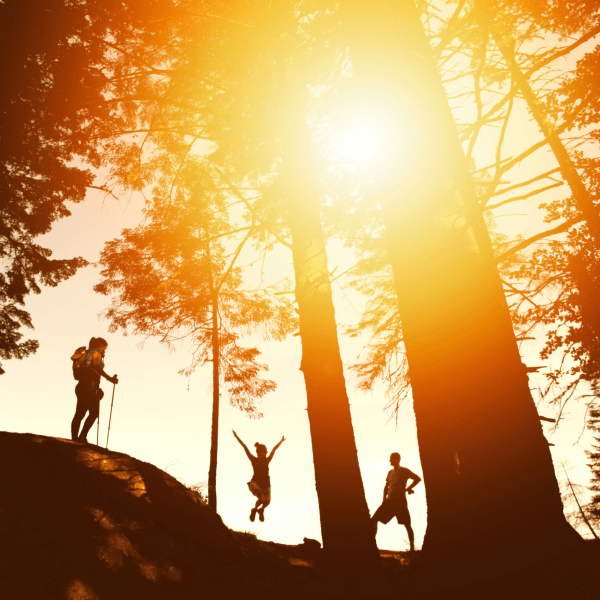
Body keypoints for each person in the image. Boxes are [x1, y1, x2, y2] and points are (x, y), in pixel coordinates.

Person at [71, 337, 118, 443]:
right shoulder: (96, 352)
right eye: (104, 347)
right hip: (90, 387)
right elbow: (96, 366)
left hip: (81, 386)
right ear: (100, 345)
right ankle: (81, 437)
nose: (105, 350)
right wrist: (110, 378)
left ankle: (75, 438)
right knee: (93, 413)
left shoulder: (85, 353)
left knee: (80, 413)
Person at [371, 452, 421, 552]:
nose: (390, 461)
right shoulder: (390, 472)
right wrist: (384, 499)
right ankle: (372, 544)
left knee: (407, 524)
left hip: (400, 502)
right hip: (389, 502)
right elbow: (386, 487)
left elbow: (417, 479)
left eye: (392, 459)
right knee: (373, 519)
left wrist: (408, 488)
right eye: (390, 459)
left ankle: (412, 548)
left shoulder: (404, 471)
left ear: (397, 459)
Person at [233, 430, 285, 522]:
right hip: (255, 482)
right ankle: (254, 510)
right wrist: (236, 437)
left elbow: (274, 449)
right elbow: (244, 447)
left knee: (267, 501)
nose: (264, 454)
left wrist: (280, 442)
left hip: (266, 484)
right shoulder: (254, 460)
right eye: (263, 453)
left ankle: (261, 510)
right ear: (261, 453)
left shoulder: (267, 460)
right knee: (262, 498)